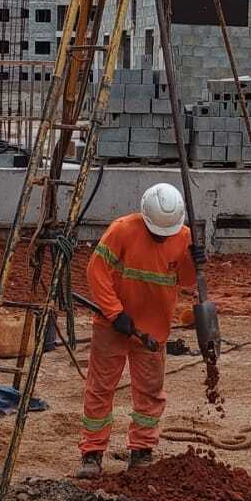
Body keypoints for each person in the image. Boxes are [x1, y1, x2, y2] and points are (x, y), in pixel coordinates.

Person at [76, 183, 197, 479]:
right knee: (100, 388)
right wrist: (114, 312)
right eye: (156, 231)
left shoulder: (182, 236)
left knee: (150, 393)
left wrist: (196, 260)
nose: (160, 237)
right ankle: (92, 452)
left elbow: (186, 280)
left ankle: (142, 450)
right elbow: (97, 271)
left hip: (152, 331)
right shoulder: (122, 230)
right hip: (113, 326)